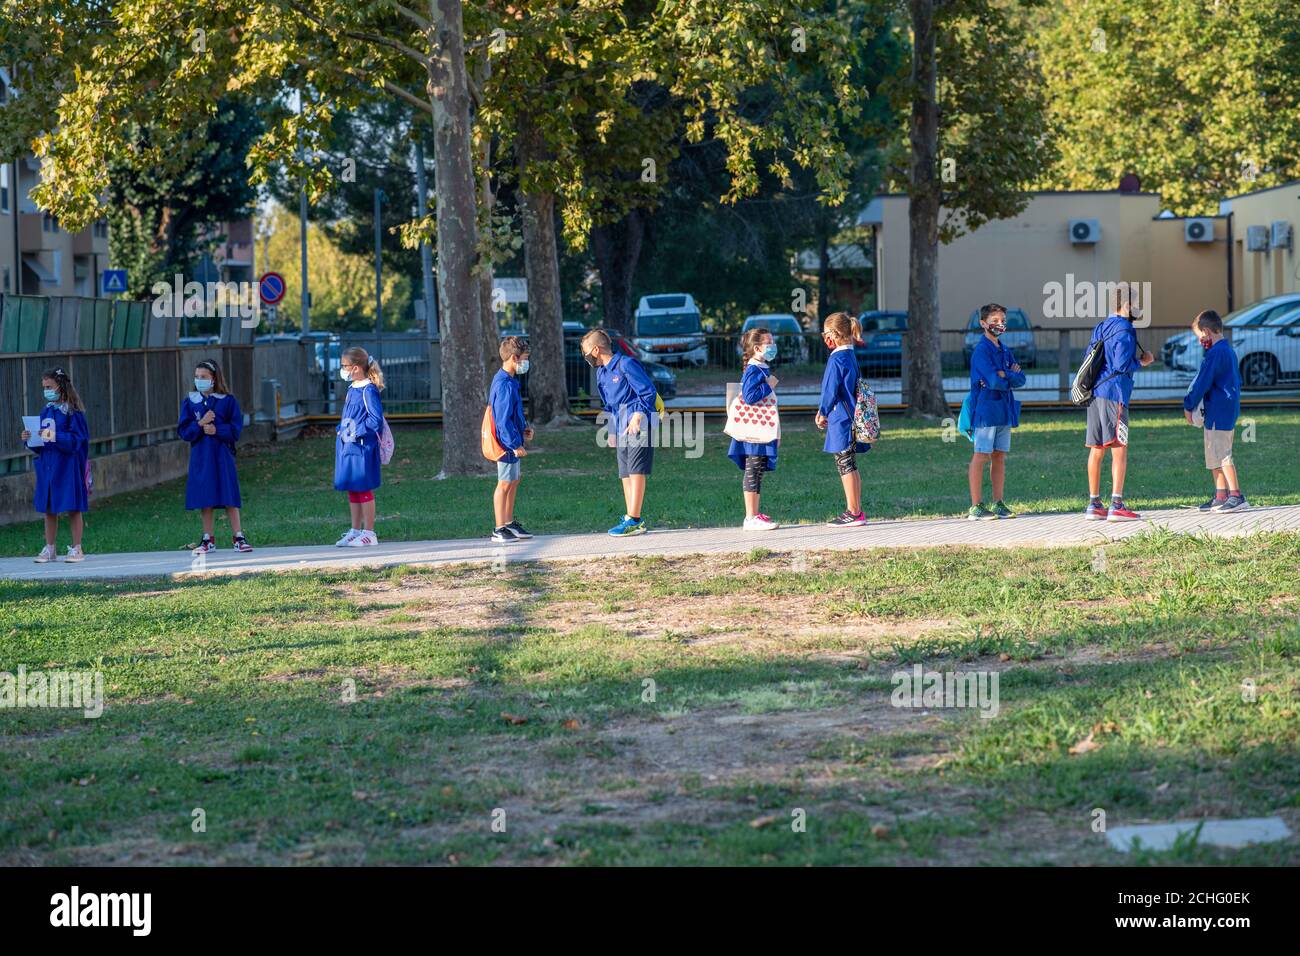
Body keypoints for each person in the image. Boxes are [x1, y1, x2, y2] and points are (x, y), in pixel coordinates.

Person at [1084, 294, 1154, 520]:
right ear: (1126, 305)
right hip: (1115, 393)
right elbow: (1122, 364)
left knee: (1096, 448)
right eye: (1136, 304)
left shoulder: (1101, 326)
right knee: (1119, 446)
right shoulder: (1125, 328)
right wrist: (1142, 361)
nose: (1139, 309)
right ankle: (1117, 503)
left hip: (1095, 393)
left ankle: (1094, 503)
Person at [582, 329, 658, 537]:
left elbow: (648, 392)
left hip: (638, 423)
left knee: (636, 470)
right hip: (620, 425)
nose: (586, 356)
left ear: (596, 350)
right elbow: (609, 405)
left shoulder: (626, 364)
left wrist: (638, 415)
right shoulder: (601, 373)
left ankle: (634, 519)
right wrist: (612, 431)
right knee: (625, 473)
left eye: (587, 351)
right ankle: (631, 517)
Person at [178, 359, 251, 554]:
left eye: (204, 377)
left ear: (214, 378)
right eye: (197, 377)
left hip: (222, 456)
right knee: (206, 497)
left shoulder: (227, 401)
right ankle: (207, 538)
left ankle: (238, 536)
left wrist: (216, 429)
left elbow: (235, 431)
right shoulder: (190, 402)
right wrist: (200, 424)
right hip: (202, 457)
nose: (199, 380)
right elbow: (184, 432)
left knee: (229, 495)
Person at [966, 303, 1026, 520]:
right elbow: (992, 381)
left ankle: (998, 502)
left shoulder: (1005, 349)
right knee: (981, 455)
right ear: (983, 323)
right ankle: (976, 506)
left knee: (999, 456)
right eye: (995, 321)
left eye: (1002, 320)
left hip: (1004, 409)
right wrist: (1006, 374)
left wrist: (1006, 374)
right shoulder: (981, 352)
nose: (1000, 324)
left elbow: (1021, 378)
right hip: (986, 410)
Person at [1182, 309, 1246, 511]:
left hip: (1220, 409)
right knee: (1212, 453)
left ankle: (1236, 495)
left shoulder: (1216, 353)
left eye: (1200, 336)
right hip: (1219, 408)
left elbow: (1202, 382)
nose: (1201, 341)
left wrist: (1188, 404)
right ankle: (1220, 495)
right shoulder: (1227, 350)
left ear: (1207, 331)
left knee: (1222, 452)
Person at [23, 367, 89, 563]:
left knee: (73, 506)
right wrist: (29, 439)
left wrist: (54, 436)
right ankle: (50, 548)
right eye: (44, 387)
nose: (46, 391)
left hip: (67, 467)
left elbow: (78, 441)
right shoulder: (46, 411)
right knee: (49, 508)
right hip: (48, 466)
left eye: (49, 386)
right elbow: (41, 444)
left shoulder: (73, 412)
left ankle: (77, 548)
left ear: (60, 386)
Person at [815, 311, 869, 527]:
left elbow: (830, 390)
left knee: (845, 464)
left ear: (834, 334)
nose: (824, 337)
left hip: (842, 419)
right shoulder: (850, 355)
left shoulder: (837, 358)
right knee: (850, 464)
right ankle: (856, 510)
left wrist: (822, 412)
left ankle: (853, 512)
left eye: (826, 333)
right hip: (852, 416)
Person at [728, 327, 780, 530]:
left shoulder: (761, 367)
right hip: (754, 431)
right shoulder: (754, 369)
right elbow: (750, 397)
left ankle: (755, 514)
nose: (773, 347)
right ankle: (750, 517)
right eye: (769, 343)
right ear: (757, 348)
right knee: (753, 469)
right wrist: (769, 385)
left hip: (761, 429)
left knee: (757, 470)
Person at [334, 346, 385, 547]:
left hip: (363, 448)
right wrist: (341, 430)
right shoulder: (351, 388)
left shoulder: (369, 389)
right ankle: (355, 530)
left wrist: (354, 433)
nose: (342, 369)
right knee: (352, 488)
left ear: (355, 368)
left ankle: (369, 533)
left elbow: (375, 420)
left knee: (364, 489)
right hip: (347, 448)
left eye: (344, 366)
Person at [489, 336, 535, 542]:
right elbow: (502, 421)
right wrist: (515, 444)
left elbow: (513, 413)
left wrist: (524, 428)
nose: (526, 362)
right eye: (525, 358)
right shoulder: (504, 384)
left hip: (513, 440)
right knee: (504, 484)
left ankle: (508, 523)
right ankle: (499, 528)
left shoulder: (510, 381)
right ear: (514, 358)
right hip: (506, 444)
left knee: (513, 481)